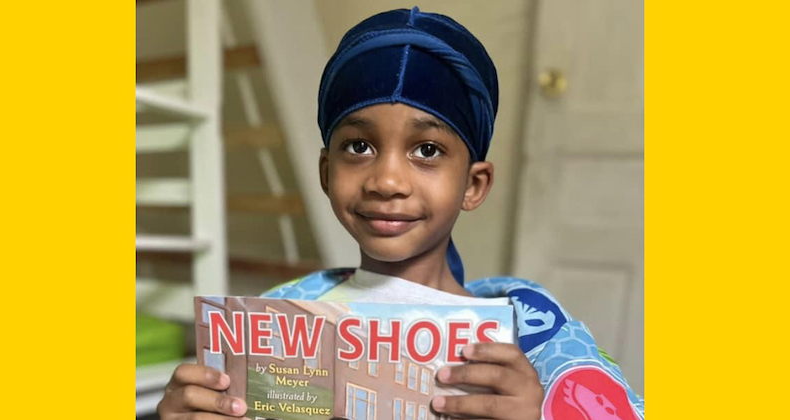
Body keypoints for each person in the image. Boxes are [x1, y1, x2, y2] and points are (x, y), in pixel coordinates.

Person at [157, 7, 645, 420]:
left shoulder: (530, 331)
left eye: (427, 149)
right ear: (326, 172)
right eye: (359, 145)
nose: (386, 181)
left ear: (473, 185)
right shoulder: (281, 319)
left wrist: (543, 414)